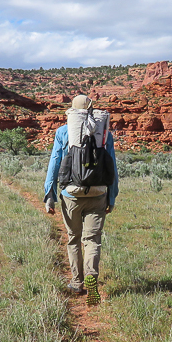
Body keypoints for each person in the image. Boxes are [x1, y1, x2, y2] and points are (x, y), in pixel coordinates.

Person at [43, 95, 119, 305]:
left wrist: (50, 195)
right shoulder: (104, 134)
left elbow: (55, 163)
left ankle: (77, 282)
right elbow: (112, 167)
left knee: (74, 238)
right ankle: (92, 277)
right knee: (92, 239)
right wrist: (111, 196)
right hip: (98, 193)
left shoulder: (63, 131)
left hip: (71, 194)